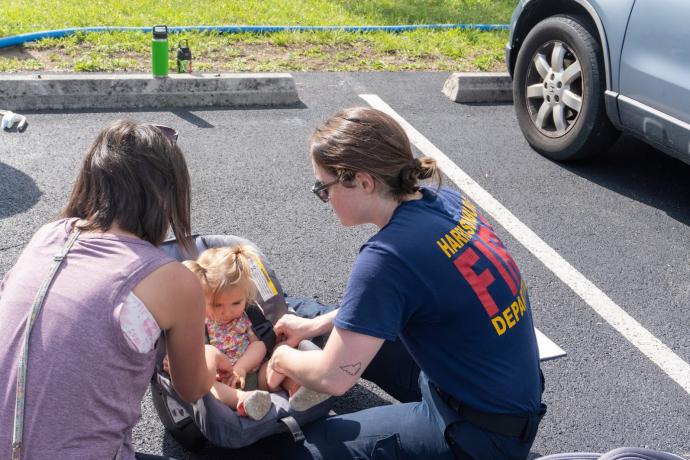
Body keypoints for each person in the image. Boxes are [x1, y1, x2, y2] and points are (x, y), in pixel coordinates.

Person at [265, 107, 546, 460]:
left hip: (481, 435)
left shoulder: (387, 257)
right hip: (497, 391)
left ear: (363, 182)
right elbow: (394, 298)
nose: (324, 197)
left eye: (323, 187)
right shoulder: (445, 201)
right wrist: (314, 325)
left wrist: (280, 360)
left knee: (294, 449)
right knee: (313, 320)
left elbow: (334, 378)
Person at [0, 120, 229, 460]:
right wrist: (212, 357)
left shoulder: (47, 235)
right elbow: (192, 387)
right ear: (166, 197)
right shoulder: (172, 280)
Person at [179, 245, 330, 420]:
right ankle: (243, 400)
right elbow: (183, 347)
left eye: (236, 303)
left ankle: (300, 387)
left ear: (246, 296)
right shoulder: (197, 320)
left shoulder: (247, 316)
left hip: (254, 373)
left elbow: (259, 346)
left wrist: (241, 368)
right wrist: (173, 358)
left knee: (273, 363)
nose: (227, 312)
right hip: (223, 382)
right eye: (217, 305)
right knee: (207, 386)